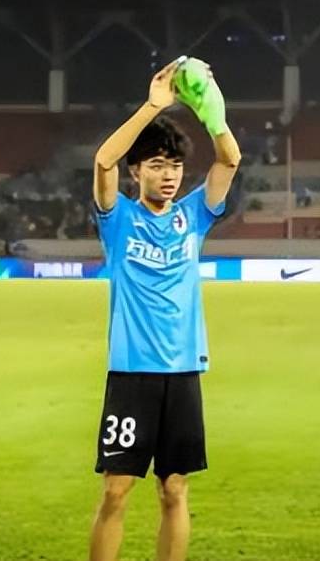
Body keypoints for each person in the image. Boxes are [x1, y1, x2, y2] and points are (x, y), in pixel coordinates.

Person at [88, 60, 241, 561]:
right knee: (116, 492)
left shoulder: (193, 215)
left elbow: (230, 160)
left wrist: (210, 111)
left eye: (174, 165)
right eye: (156, 165)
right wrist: (153, 107)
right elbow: (103, 162)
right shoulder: (119, 219)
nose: (169, 175)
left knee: (174, 490)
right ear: (137, 172)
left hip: (182, 372)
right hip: (132, 372)